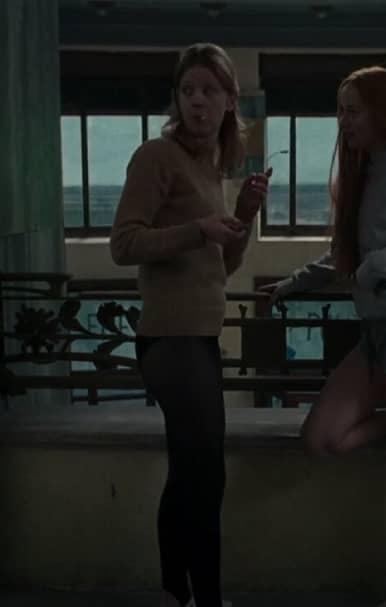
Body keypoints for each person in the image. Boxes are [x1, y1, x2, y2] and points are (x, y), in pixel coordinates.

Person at [258, 66, 386, 607]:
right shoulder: (363, 173)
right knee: (321, 439)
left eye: (353, 110)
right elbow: (344, 255)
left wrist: (377, 266)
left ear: (383, 111)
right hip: (375, 336)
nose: (343, 121)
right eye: (340, 111)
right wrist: (293, 283)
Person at [110, 43, 268, 607]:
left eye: (209, 90)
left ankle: (175, 593)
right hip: (169, 341)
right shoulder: (157, 155)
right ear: (177, 99)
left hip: (198, 340)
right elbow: (123, 244)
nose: (198, 101)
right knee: (205, 478)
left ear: (229, 100)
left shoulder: (209, 168)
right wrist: (198, 229)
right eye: (188, 90)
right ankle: (206, 599)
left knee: (189, 475)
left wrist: (242, 217)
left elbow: (220, 267)